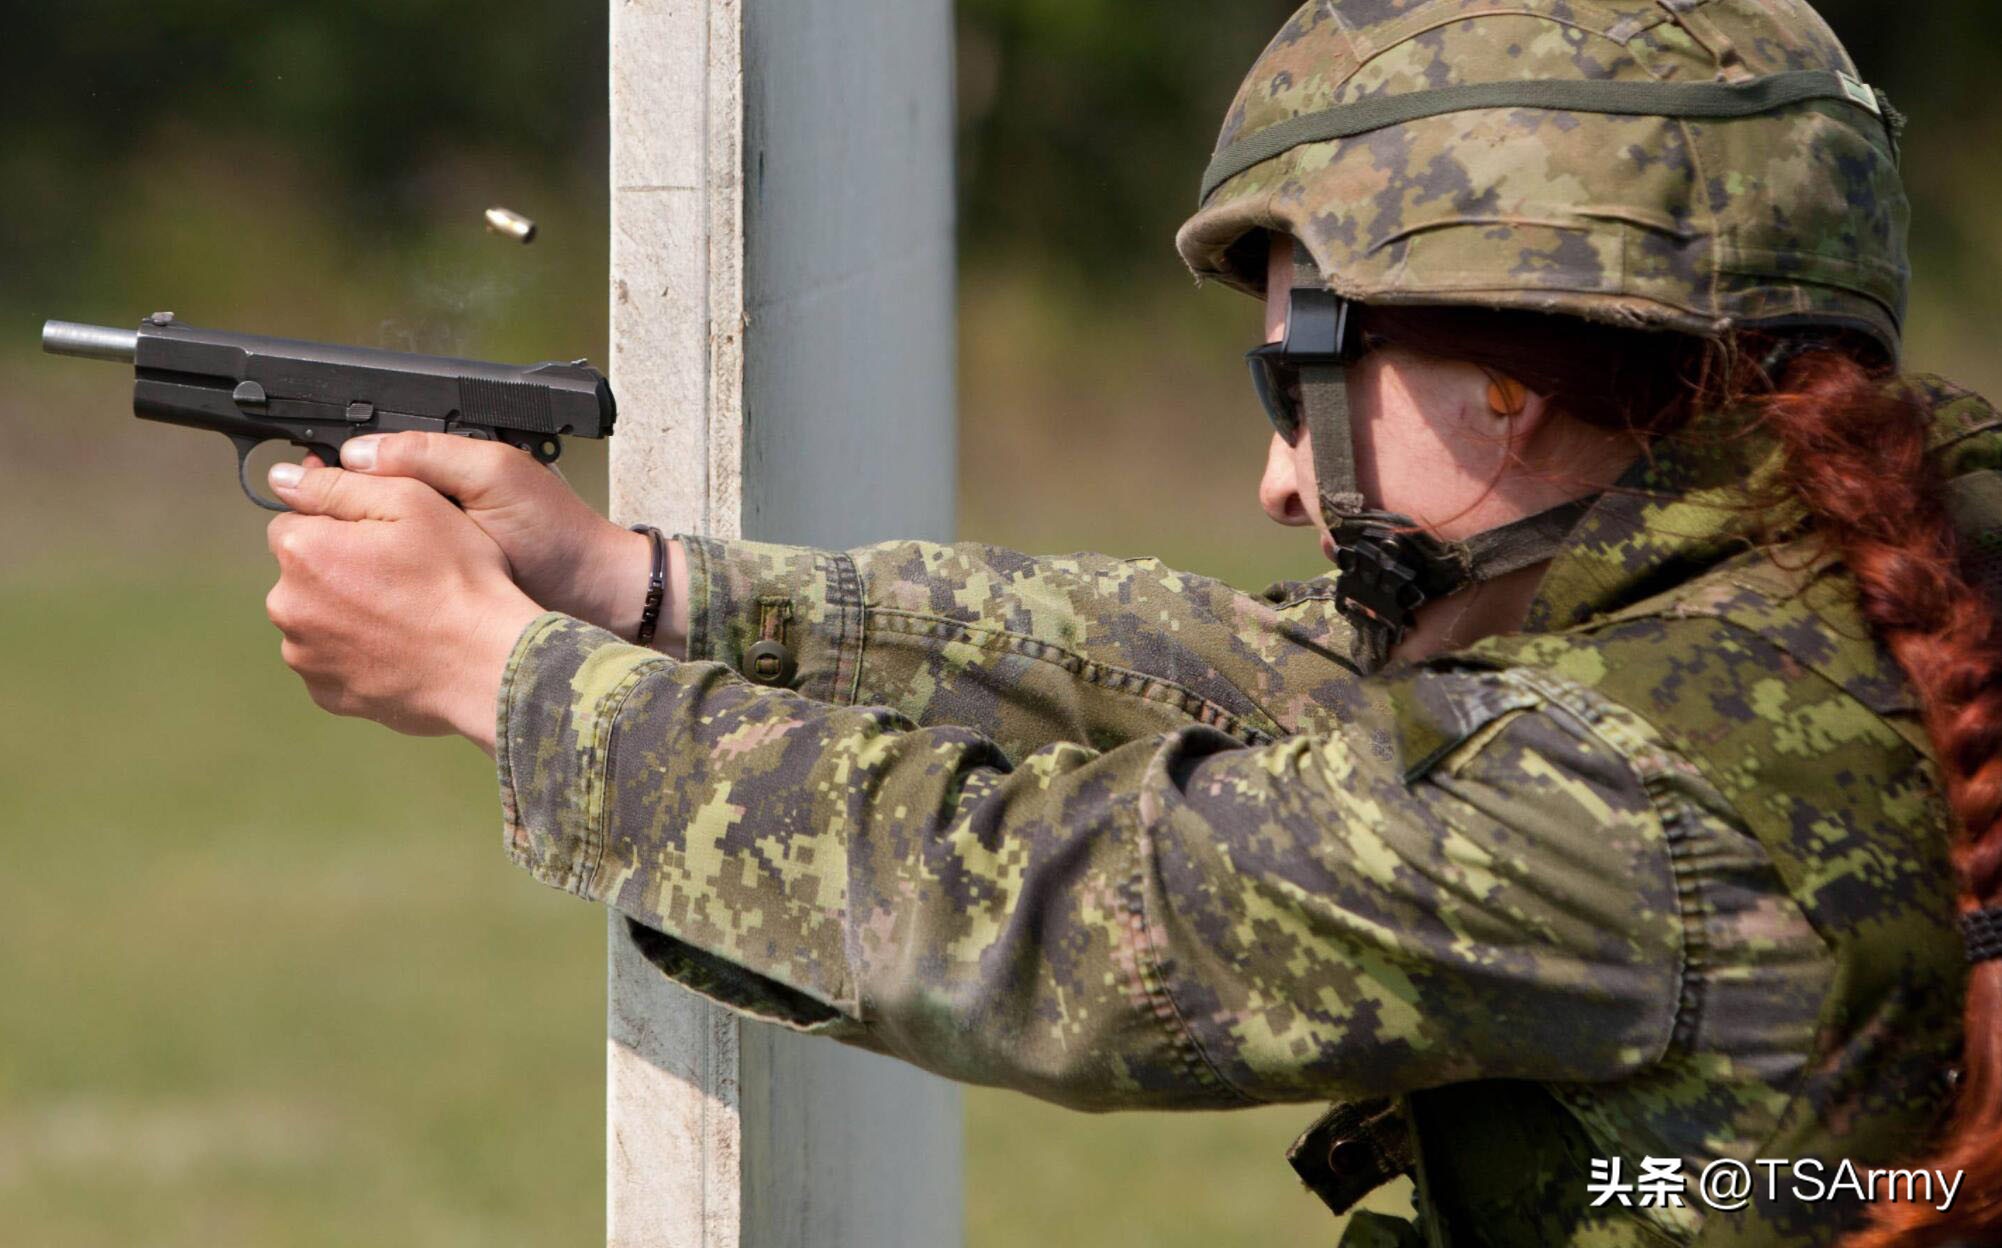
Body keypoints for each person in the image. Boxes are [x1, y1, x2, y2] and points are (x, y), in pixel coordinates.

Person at [257, 1, 2002, 1244]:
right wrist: (637, 588)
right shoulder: (1832, 588)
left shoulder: (1610, 803)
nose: (1275, 482)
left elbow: (1058, 910)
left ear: (1497, 388)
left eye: (1294, 380)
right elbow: (1211, 660)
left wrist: (502, 678)